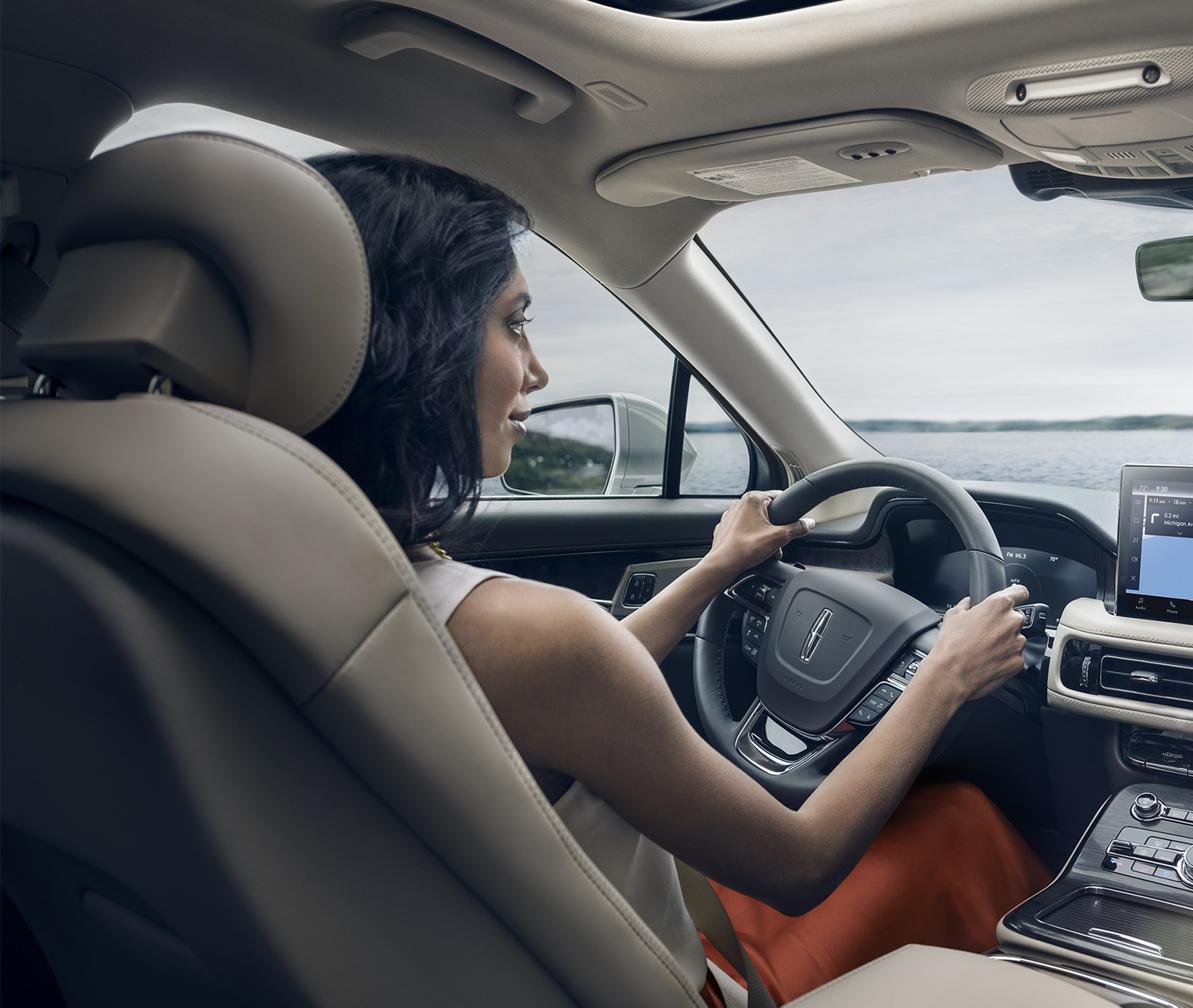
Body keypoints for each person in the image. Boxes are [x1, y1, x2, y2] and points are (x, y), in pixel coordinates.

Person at [303, 152, 1047, 1006]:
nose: (537, 371)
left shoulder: (290, 572)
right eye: (514, 323)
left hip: (515, 947)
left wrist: (714, 571)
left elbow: (552, 690)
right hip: (661, 978)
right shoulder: (524, 636)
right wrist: (946, 673)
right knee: (963, 829)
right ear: (416, 344)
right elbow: (798, 865)